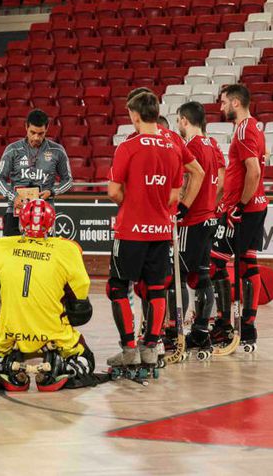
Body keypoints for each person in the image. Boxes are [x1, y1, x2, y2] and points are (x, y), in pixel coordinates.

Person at [105, 92, 203, 372]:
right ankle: (150, 349)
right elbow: (190, 178)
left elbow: (113, 191)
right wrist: (182, 206)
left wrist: (134, 202)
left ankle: (129, 350)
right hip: (161, 230)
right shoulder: (172, 142)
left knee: (117, 287)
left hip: (131, 231)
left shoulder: (129, 146)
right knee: (158, 288)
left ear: (134, 115)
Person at [0, 199, 95, 391]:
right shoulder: (68, 249)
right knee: (86, 358)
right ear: (52, 222)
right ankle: (62, 364)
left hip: (9, 334)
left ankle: (4, 361)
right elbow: (80, 311)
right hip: (54, 334)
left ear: (21, 222)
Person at [212, 84, 268, 350]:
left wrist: (239, 206)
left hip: (241, 208)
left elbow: (253, 171)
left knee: (214, 263)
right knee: (248, 263)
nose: (221, 107)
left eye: (224, 102)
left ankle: (223, 325)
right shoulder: (255, 127)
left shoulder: (245, 130)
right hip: (255, 206)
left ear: (235, 103)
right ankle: (247, 328)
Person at [173, 101, 223, 357]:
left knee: (177, 275)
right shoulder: (212, 144)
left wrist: (184, 205)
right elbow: (222, 176)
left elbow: (194, 176)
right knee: (203, 277)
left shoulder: (190, 146)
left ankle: (176, 332)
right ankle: (201, 332)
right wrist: (211, 204)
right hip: (209, 219)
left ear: (184, 120)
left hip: (192, 222)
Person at [0, 109, 73, 237]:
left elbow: (68, 180)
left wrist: (52, 192)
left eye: (40, 133)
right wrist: (14, 197)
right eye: (33, 132)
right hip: (15, 212)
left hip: (45, 214)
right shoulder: (13, 150)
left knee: (43, 256)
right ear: (26, 127)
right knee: (13, 256)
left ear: (47, 128)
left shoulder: (57, 151)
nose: (36, 137)